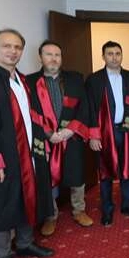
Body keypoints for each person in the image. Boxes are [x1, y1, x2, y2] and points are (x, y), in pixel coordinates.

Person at [0, 29, 54, 258]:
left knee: (26, 196)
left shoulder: (21, 80)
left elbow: (32, 117)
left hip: (28, 151)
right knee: (3, 204)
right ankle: (1, 257)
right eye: (6, 46)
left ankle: (25, 243)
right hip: (5, 156)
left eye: (17, 47)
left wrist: (42, 144)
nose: (13, 51)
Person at [27, 40, 93, 236]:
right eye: (49, 54)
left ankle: (79, 210)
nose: (54, 58)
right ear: (40, 57)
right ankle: (50, 215)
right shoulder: (29, 82)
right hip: (44, 139)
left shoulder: (75, 78)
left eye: (57, 55)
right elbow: (28, 112)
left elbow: (84, 107)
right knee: (45, 176)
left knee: (76, 174)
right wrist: (49, 134)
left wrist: (70, 130)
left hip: (71, 136)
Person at [86, 41, 129, 226]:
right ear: (103, 56)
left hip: (128, 132)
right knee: (106, 173)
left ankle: (127, 205)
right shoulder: (94, 80)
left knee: (127, 171)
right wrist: (93, 135)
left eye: (118, 53)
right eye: (110, 54)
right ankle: (107, 209)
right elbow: (89, 109)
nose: (114, 57)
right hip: (104, 134)